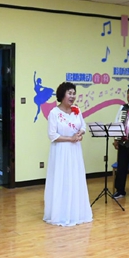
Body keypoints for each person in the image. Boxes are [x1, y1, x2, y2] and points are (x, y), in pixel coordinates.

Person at [43, 82, 92, 227]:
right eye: (69, 93)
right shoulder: (54, 113)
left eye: (74, 93)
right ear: (62, 95)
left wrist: (79, 133)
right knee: (62, 180)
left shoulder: (77, 110)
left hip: (75, 151)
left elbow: (83, 126)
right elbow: (52, 135)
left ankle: (76, 212)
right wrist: (70, 139)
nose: (72, 96)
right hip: (61, 151)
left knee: (74, 179)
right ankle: (60, 214)